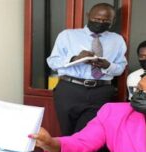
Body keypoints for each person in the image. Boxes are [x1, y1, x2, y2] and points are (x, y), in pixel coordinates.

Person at [47, 3, 127, 135]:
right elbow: (52, 62)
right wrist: (75, 58)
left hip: (101, 91)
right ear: (88, 15)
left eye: (106, 20)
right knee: (67, 133)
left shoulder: (117, 40)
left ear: (113, 21)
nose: (101, 22)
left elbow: (120, 68)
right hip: (70, 89)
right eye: (96, 19)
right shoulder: (67, 35)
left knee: (88, 135)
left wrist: (108, 65)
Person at [31, 78, 146, 152]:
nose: (141, 95)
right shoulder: (112, 112)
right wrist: (51, 144)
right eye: (139, 89)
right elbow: (82, 142)